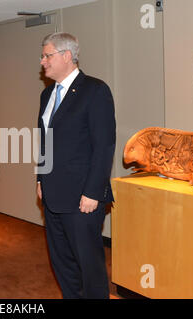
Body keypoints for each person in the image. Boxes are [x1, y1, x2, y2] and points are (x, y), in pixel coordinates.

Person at [36, 32, 116, 299]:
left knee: (89, 265)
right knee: (62, 264)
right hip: (52, 195)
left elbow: (104, 146)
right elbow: (45, 142)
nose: (42, 61)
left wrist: (94, 192)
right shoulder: (47, 95)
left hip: (83, 197)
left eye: (47, 55)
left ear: (66, 56)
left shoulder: (95, 90)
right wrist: (40, 178)